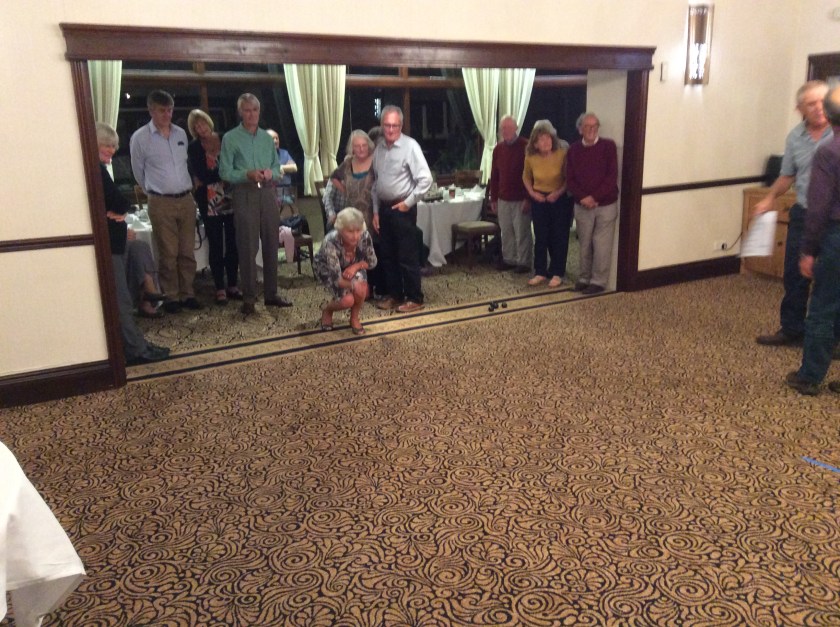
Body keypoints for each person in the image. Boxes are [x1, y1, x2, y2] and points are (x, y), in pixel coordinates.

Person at [754, 81, 835, 349]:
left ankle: (832, 339)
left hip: (834, 219)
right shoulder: (795, 137)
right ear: (799, 108)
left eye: (822, 101)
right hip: (804, 213)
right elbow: (788, 175)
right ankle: (791, 329)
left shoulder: (837, 135)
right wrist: (769, 197)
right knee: (795, 273)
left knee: (831, 278)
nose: (818, 108)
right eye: (811, 103)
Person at [96, 122, 169, 365]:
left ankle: (148, 290)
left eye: (114, 146)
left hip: (116, 240)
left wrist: (120, 215)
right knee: (121, 301)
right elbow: (118, 202)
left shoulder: (101, 170)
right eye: (107, 145)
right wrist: (118, 213)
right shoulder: (95, 170)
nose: (112, 151)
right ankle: (135, 349)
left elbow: (121, 205)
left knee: (139, 246)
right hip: (108, 245)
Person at [785, 86, 840, 396]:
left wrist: (807, 251)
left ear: (830, 116)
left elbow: (818, 209)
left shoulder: (829, 152)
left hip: (835, 236)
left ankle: (810, 376)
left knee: (822, 306)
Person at [219, 93, 293, 315]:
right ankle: (249, 298)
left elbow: (277, 166)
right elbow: (224, 171)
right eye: (247, 110)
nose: (252, 114)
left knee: (271, 244)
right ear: (240, 112)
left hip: (268, 194)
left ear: (259, 112)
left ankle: (271, 294)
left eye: (255, 110)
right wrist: (246, 174)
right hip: (245, 194)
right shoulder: (230, 138)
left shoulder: (265, 138)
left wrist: (272, 172)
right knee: (248, 246)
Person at [129, 90, 202, 313]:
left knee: (187, 251)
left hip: (186, 199)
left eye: (170, 110)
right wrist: (155, 190)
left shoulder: (180, 134)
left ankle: (187, 293)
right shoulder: (140, 138)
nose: (167, 114)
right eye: (162, 110)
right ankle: (171, 296)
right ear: (151, 110)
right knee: (168, 252)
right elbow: (138, 173)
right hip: (160, 201)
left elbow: (185, 165)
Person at [371, 105, 432, 314]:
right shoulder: (379, 148)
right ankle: (396, 295)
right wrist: (376, 211)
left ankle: (415, 298)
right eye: (387, 125)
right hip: (385, 210)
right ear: (382, 125)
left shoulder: (410, 146)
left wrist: (408, 202)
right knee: (388, 256)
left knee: (407, 257)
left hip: (403, 209)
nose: (390, 129)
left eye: (395, 125)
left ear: (401, 125)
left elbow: (426, 180)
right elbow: (376, 184)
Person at [187, 109, 242, 306]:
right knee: (216, 245)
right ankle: (219, 287)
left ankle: (233, 284)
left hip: (232, 197)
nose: (200, 128)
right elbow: (202, 174)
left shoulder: (225, 138)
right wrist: (226, 174)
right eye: (196, 127)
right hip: (208, 202)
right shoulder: (194, 147)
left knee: (233, 243)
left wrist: (225, 174)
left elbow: (236, 165)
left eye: (202, 123)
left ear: (208, 122)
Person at [566, 112, 619, 295]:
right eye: (588, 126)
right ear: (580, 129)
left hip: (605, 205)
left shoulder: (608, 146)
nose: (592, 129)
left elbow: (611, 178)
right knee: (585, 243)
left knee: (601, 244)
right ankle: (584, 278)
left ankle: (598, 281)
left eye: (595, 126)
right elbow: (570, 179)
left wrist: (594, 197)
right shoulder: (573, 150)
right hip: (582, 205)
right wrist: (583, 198)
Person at [324, 130, 382, 296]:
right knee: (358, 248)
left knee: (374, 248)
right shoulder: (348, 163)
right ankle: (363, 287)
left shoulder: (376, 161)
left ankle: (378, 287)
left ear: (369, 146)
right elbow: (334, 177)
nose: (361, 149)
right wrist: (346, 192)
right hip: (354, 214)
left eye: (364, 145)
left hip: (373, 211)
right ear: (352, 148)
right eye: (357, 146)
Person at [522, 119, 573, 288]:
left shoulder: (562, 153)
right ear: (535, 144)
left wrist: (557, 193)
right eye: (542, 139)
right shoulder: (531, 157)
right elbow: (526, 177)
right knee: (541, 236)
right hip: (539, 199)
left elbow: (568, 178)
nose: (546, 142)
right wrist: (533, 194)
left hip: (559, 198)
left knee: (559, 236)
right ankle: (540, 272)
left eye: (549, 138)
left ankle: (557, 272)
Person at [313, 207, 378, 336]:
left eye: (358, 230)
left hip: (353, 265)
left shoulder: (364, 236)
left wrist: (356, 266)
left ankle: (354, 318)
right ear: (340, 229)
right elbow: (337, 279)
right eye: (350, 231)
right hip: (327, 269)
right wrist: (354, 285)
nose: (355, 236)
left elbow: (372, 262)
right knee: (347, 300)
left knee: (361, 290)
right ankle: (328, 310)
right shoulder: (330, 241)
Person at [490, 115, 532, 274]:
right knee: (506, 231)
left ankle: (524, 262)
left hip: (521, 198)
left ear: (516, 128)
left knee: (522, 232)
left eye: (508, 128)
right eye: (503, 128)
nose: (505, 131)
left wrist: (529, 198)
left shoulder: (526, 146)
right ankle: (509, 259)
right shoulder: (498, 149)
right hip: (503, 198)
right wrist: (493, 198)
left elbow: (531, 175)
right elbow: (494, 175)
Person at [265, 129, 298, 207]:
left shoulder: (284, 153)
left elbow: (294, 168)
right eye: (273, 139)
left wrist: (278, 169)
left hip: (287, 192)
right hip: (269, 193)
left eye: (277, 138)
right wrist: (285, 168)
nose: (276, 141)